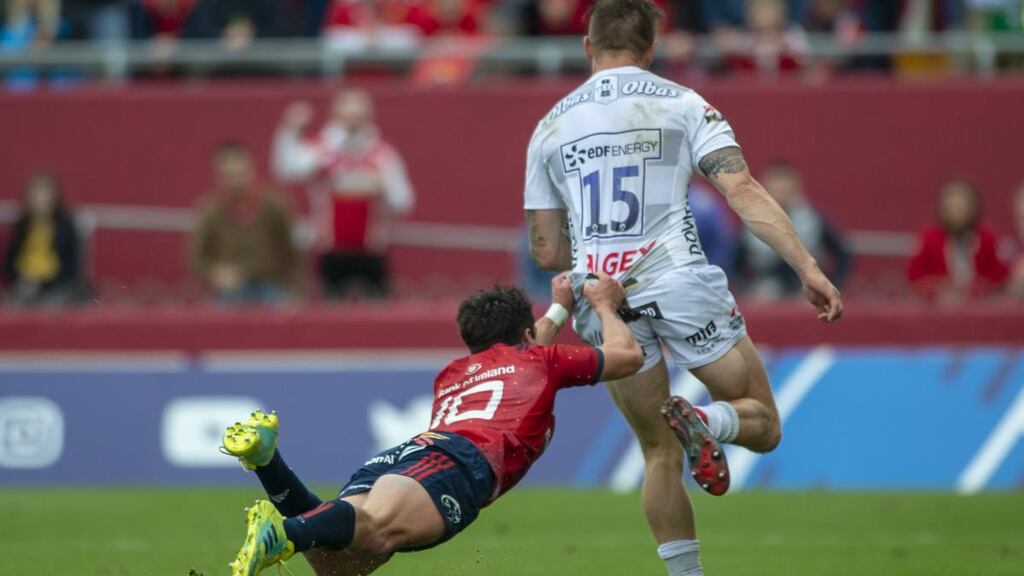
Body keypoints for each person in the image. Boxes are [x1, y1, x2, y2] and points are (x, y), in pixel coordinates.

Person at [523, 2, 843, 575]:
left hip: (602, 299)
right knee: (762, 424)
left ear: (586, 47)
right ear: (650, 49)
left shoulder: (548, 127)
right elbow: (740, 188)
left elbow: (546, 251)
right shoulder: (682, 102)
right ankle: (710, 421)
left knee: (656, 453)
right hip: (678, 279)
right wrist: (808, 268)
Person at [221, 273, 644, 576]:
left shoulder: (455, 371)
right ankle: (283, 532)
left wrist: (559, 306)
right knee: (372, 530)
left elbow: (529, 345)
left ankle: (267, 463)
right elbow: (628, 356)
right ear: (526, 333)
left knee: (340, 567)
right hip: (459, 461)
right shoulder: (539, 360)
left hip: (409, 457)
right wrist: (605, 305)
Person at [273, 89, 415, 299]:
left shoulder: (383, 155)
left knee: (380, 316)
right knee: (330, 316)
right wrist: (290, 129)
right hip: (331, 250)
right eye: (348, 116)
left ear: (369, 117)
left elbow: (404, 201)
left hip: (371, 251)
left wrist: (383, 187)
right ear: (335, 115)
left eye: (359, 116)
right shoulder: (323, 151)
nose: (353, 122)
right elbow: (286, 170)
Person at [190, 142, 301, 304]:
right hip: (229, 291)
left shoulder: (274, 206)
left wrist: (295, 291)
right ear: (218, 176)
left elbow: (293, 252)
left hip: (271, 286)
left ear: (251, 170)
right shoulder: (211, 211)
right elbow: (196, 259)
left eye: (240, 174)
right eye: (228, 176)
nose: (235, 182)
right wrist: (215, 273)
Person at [734, 161, 849, 298]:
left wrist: (833, 282)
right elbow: (736, 259)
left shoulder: (812, 218)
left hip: (806, 286)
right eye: (777, 187)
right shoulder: (752, 218)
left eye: (785, 186)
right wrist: (744, 287)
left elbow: (841, 252)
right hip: (765, 286)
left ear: (796, 187)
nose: (781, 192)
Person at [907, 178, 1008, 302]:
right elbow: (914, 276)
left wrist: (973, 288)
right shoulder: (928, 238)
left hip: (980, 305)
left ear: (973, 209)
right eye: (951, 210)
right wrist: (939, 287)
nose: (957, 215)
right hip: (938, 307)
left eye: (961, 209)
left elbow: (1000, 277)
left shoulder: (987, 238)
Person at [3, 172, 84, 306]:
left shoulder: (66, 227)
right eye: (36, 197)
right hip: (23, 287)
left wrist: (43, 281)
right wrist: (22, 279)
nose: (41, 202)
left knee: (55, 304)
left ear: (55, 199)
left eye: (45, 197)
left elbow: (72, 267)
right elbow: (8, 264)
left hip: (56, 287)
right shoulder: (22, 226)